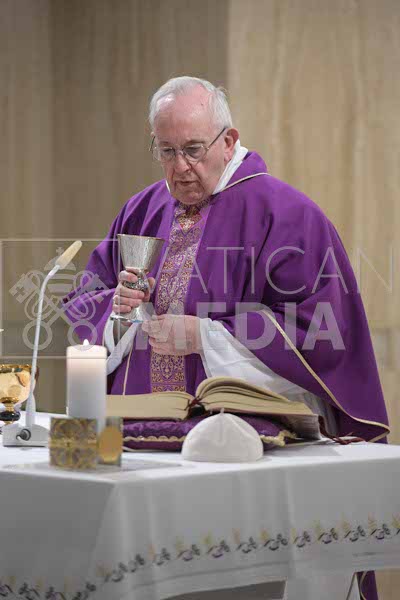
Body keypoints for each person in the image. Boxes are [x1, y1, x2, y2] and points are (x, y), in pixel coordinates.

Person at [63, 76, 388, 600]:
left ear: (228, 140)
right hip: (141, 442)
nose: (179, 167)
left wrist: (205, 336)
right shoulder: (142, 209)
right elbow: (90, 295)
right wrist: (119, 310)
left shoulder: (286, 214)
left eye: (193, 149)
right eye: (166, 151)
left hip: (245, 447)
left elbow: (320, 329)